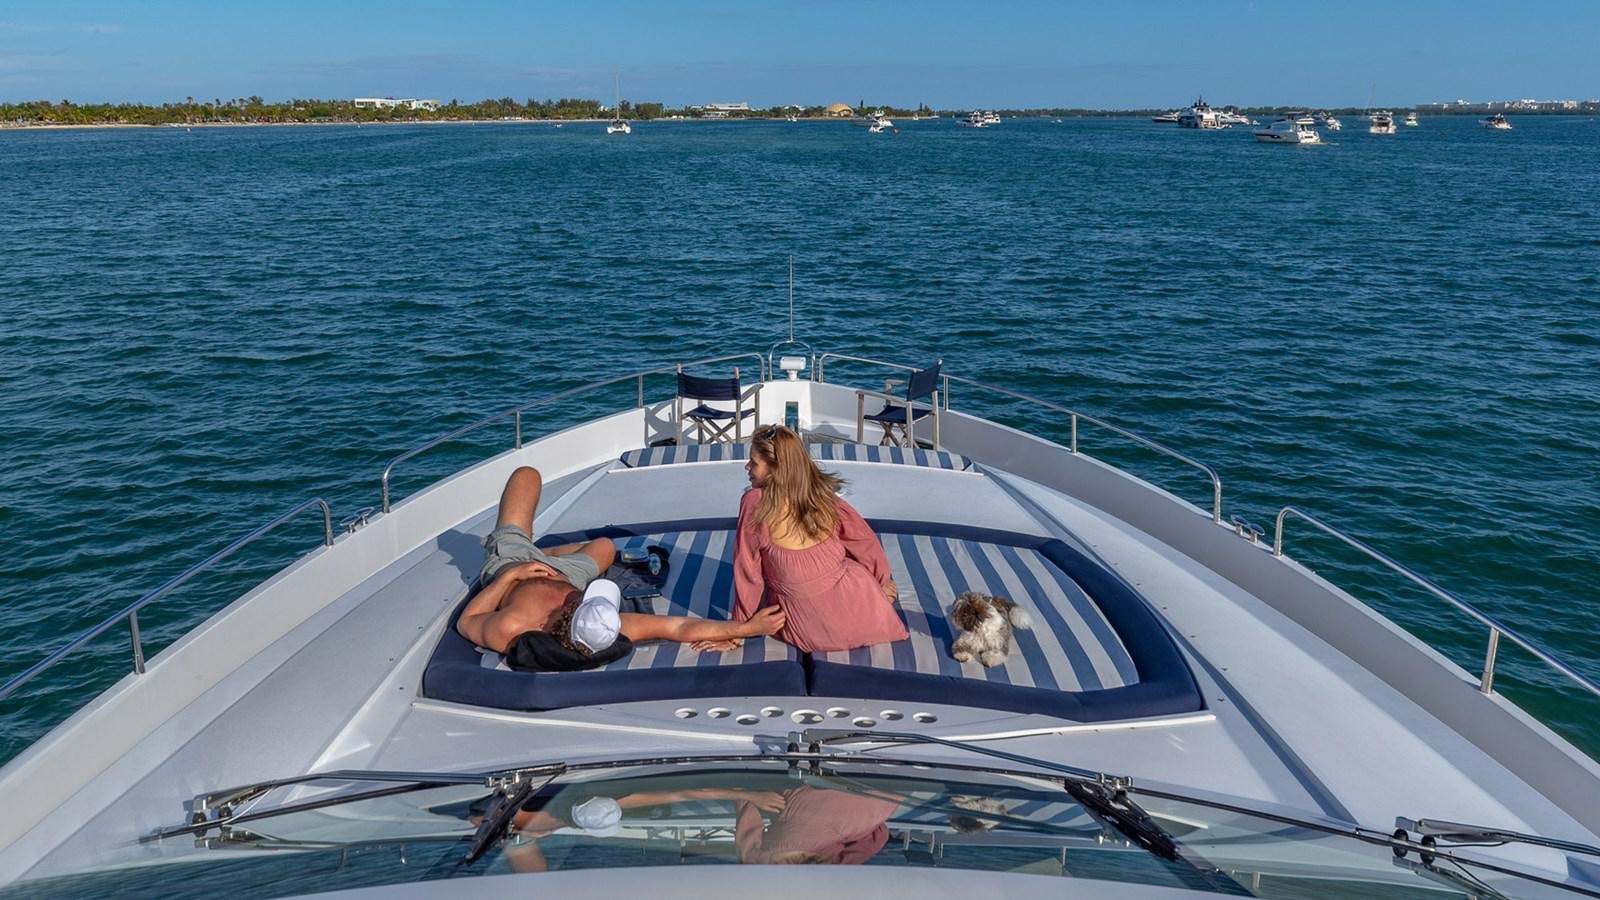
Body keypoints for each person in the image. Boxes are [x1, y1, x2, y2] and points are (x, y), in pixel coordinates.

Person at [457, 466, 785, 657]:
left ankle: (530, 547)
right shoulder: (606, 626)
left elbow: (467, 620)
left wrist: (509, 576)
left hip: (514, 568)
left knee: (526, 475)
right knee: (605, 547)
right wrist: (747, 629)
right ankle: (546, 554)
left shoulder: (512, 627)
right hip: (569, 576)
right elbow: (677, 627)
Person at [730, 425, 908, 653]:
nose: (747, 467)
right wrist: (881, 582)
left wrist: (741, 629)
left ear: (775, 469)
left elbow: (748, 570)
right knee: (842, 557)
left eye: (754, 463)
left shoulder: (755, 502)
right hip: (867, 615)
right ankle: (873, 598)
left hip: (809, 628)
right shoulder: (819, 494)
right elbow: (863, 541)